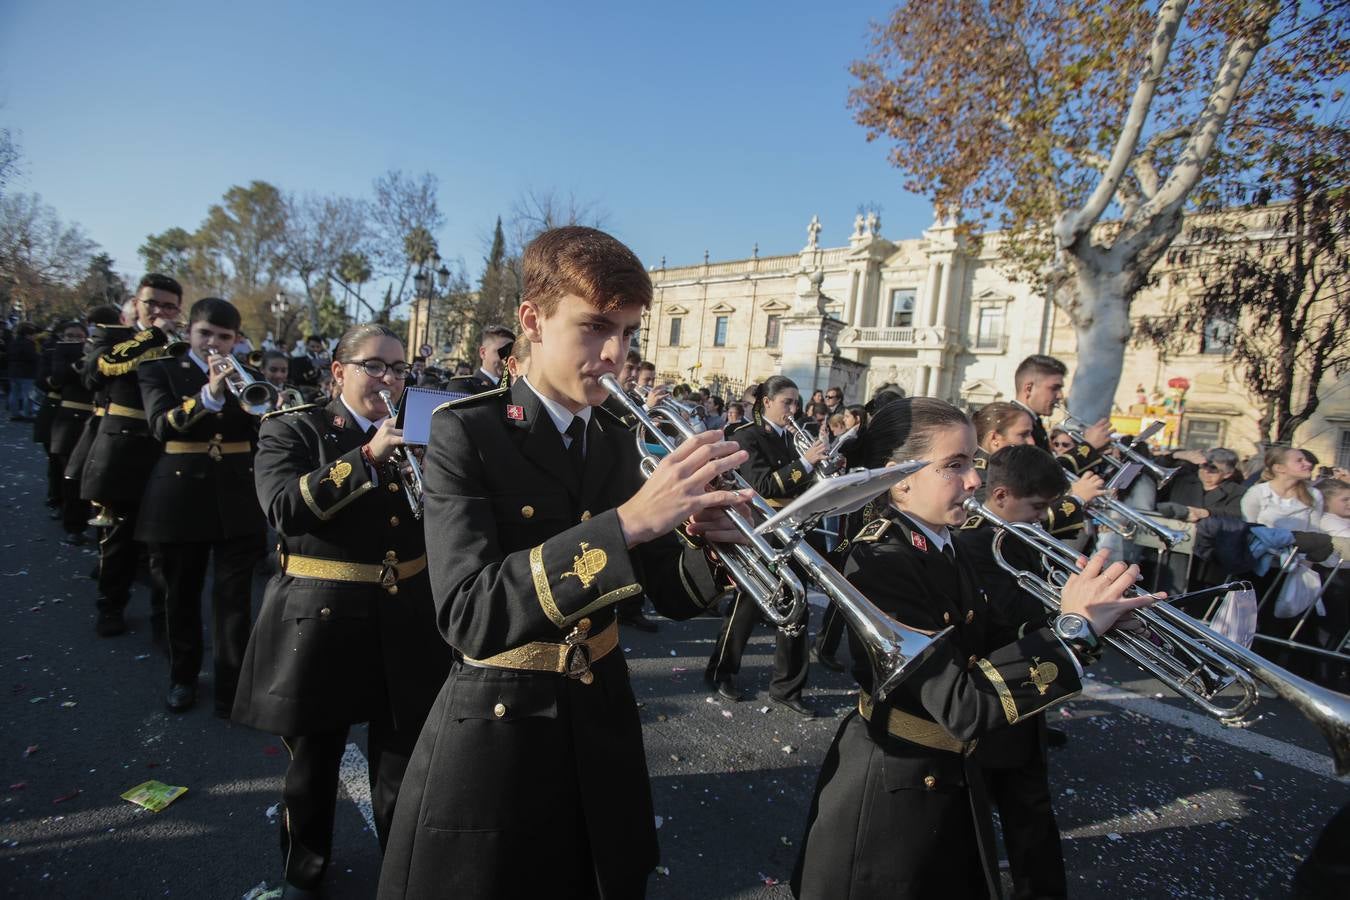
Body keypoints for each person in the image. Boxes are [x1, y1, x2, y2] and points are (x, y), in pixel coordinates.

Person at [377, 226, 751, 899]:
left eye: (630, 333)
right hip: (498, 726)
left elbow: (669, 592)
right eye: (595, 328)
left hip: (599, 712)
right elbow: (469, 613)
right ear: (533, 320)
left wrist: (710, 542)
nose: (617, 355)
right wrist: (628, 524)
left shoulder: (614, 439)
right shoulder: (469, 430)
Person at [791, 397, 1160, 899]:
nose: (973, 482)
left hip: (948, 775)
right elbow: (961, 705)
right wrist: (1073, 632)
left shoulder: (946, 541)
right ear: (899, 478)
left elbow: (987, 643)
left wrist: (1096, 619)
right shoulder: (880, 560)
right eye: (954, 466)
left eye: (973, 464)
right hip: (896, 787)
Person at [234, 323, 451, 899]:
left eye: (399, 369)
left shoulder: (421, 432)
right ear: (340, 372)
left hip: (403, 614)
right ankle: (304, 872)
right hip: (322, 614)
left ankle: (402, 876)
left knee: (403, 764)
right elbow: (283, 508)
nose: (389, 379)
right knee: (313, 765)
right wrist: (366, 458)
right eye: (375, 366)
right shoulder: (292, 427)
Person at [956, 444, 1077, 899]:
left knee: (1032, 813)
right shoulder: (972, 541)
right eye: (1038, 507)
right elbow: (1009, 615)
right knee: (975, 819)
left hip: (1030, 691)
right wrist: (1074, 615)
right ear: (1002, 495)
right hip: (993, 689)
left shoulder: (1019, 535)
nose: (1044, 518)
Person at [136, 297, 267, 714]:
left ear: (236, 339)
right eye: (205, 334)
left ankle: (232, 688)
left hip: (237, 495)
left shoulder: (250, 377)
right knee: (182, 594)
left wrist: (265, 410)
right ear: (189, 332)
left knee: (234, 601)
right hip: (179, 496)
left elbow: (262, 431)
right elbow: (161, 426)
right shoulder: (158, 369)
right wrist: (209, 393)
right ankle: (183, 677)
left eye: (224, 337)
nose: (214, 343)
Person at [705, 375, 824, 716]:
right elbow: (762, 484)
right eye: (787, 402)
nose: (794, 409)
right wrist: (805, 464)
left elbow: (799, 484)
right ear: (766, 402)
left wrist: (819, 470)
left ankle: (787, 686)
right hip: (763, 529)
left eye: (796, 403)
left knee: (797, 603)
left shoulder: (791, 438)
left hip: (794, 527)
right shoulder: (747, 435)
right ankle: (721, 671)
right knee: (748, 604)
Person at [81, 274, 180, 639]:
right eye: (152, 303)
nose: (159, 311)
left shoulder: (183, 344)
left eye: (168, 306)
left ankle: (162, 621)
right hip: (124, 448)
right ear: (136, 303)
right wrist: (153, 335)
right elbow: (94, 373)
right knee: (118, 539)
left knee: (164, 546)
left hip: (167, 453)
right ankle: (111, 605)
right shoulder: (114, 336)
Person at [1011, 354, 1110, 475]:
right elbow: (1039, 476)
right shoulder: (1012, 422)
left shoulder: (1035, 421)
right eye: (1054, 388)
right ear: (1029, 389)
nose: (1060, 396)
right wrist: (1088, 447)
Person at [1241, 447, 1323, 530]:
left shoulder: (1314, 494)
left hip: (1300, 542)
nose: (1309, 464)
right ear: (1279, 468)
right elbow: (1247, 529)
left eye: (1306, 460)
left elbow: (1314, 531)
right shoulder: (1257, 493)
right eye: (1299, 461)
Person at [1155, 447, 1246, 522]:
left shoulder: (1237, 492)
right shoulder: (1181, 481)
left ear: (1227, 474)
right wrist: (1175, 455)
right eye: (1204, 466)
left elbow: (1236, 514)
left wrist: (1207, 512)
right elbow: (1153, 471)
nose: (1206, 471)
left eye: (1213, 469)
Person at [447, 324, 515, 394]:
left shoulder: (513, 387)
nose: (507, 359)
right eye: (503, 352)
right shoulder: (462, 385)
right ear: (483, 353)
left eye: (511, 353)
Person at [7, 322, 39, 420]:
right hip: (26, 372)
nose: (34, 337)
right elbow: (32, 357)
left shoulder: (13, 342)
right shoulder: (28, 344)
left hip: (13, 370)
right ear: (28, 335)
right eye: (33, 335)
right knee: (28, 394)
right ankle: (27, 413)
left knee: (14, 393)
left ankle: (14, 413)